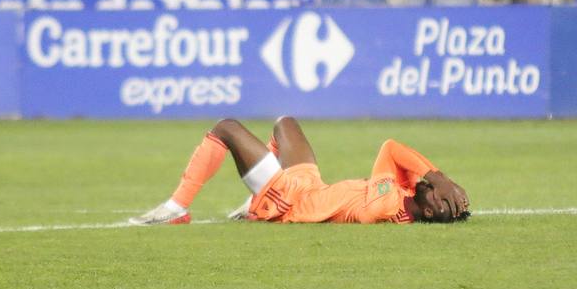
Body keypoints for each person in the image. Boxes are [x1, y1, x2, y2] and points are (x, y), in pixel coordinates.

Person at [129, 117, 471, 226]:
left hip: (289, 201)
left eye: (436, 190)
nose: (430, 182)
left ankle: (177, 208)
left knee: (227, 128)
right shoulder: (411, 197)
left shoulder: (384, 204)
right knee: (285, 123)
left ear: (428, 209)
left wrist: (440, 175)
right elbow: (409, 169)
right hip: (308, 186)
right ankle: (252, 204)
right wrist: (442, 184)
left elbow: (391, 148)